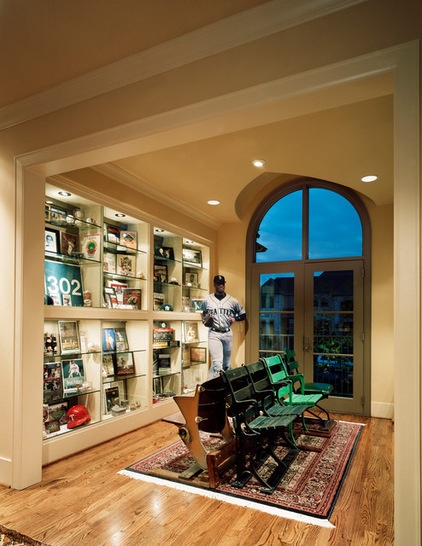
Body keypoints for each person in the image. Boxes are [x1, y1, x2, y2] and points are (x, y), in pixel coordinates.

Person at [201, 275, 246, 378]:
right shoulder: (207, 299)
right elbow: (203, 312)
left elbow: (243, 314)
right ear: (214, 285)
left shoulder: (232, 300)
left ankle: (227, 388)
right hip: (214, 333)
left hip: (227, 333)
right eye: (218, 284)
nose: (221, 285)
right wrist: (205, 320)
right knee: (217, 364)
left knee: (226, 364)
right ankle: (217, 388)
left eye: (222, 283)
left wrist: (235, 319)